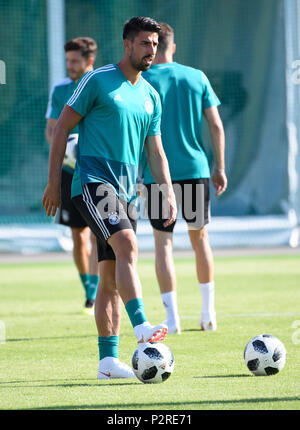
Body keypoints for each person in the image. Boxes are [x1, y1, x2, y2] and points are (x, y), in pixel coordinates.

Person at [42, 17, 177, 379]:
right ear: (127, 44)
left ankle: (107, 362)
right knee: (128, 246)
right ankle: (143, 327)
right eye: (144, 43)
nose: (150, 50)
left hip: (126, 191)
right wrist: (54, 183)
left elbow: (156, 152)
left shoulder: (151, 95)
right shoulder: (97, 80)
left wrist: (165, 192)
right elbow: (60, 131)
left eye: (154, 44)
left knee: (109, 276)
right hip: (92, 181)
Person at [142, 23, 227, 334]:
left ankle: (172, 320)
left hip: (156, 176)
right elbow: (216, 126)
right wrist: (219, 167)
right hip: (194, 169)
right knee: (200, 239)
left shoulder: (142, 79)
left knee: (163, 244)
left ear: (152, 47)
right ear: (173, 47)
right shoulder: (196, 76)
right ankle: (208, 314)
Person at [45, 37, 100, 315]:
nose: (70, 66)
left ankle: (95, 294)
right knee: (78, 237)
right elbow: (51, 130)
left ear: (89, 61)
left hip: (97, 169)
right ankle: (88, 289)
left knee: (97, 235)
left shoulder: (100, 84)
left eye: (75, 61)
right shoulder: (60, 90)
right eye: (68, 61)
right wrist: (66, 148)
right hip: (68, 172)